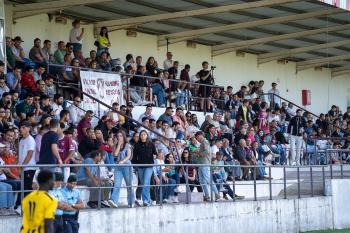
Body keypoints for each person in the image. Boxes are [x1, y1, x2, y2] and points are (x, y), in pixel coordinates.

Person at [109, 130, 134, 208]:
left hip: (127, 166)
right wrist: (118, 145)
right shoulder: (115, 145)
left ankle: (131, 202)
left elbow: (128, 156)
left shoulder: (128, 145)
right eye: (118, 136)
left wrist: (123, 161)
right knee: (117, 184)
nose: (119, 137)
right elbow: (115, 154)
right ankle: (114, 201)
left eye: (121, 136)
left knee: (129, 184)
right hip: (118, 167)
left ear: (124, 136)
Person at [132, 130, 157, 206]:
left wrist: (155, 156)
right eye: (141, 134)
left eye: (144, 134)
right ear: (139, 136)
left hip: (149, 166)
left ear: (147, 135)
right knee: (143, 183)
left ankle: (145, 200)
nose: (143, 136)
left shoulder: (151, 144)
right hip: (140, 166)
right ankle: (148, 200)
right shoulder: (137, 145)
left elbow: (155, 153)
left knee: (146, 182)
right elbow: (134, 156)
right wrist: (135, 165)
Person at [194, 131, 220, 201]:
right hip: (202, 163)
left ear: (200, 135)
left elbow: (207, 152)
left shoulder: (204, 141)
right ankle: (207, 195)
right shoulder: (203, 142)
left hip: (204, 163)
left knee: (207, 179)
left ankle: (216, 193)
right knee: (202, 180)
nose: (197, 139)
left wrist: (199, 153)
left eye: (197, 137)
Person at [19, 121, 36, 196]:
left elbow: (30, 154)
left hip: (29, 168)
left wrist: (22, 166)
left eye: (23, 127)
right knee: (24, 187)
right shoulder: (21, 140)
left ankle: (28, 206)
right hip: (23, 168)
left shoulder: (30, 140)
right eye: (20, 127)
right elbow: (20, 155)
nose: (21, 129)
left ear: (29, 128)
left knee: (27, 188)